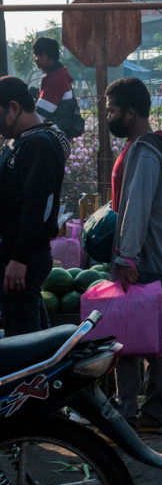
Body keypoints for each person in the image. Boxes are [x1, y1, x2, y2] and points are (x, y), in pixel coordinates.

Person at [106, 77, 162, 432]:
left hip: (142, 258)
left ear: (132, 112)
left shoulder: (145, 151)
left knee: (130, 338)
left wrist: (126, 257)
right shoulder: (160, 145)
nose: (108, 117)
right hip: (156, 254)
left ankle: (134, 415)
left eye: (112, 111)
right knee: (150, 336)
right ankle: (148, 413)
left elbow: (136, 206)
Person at [0, 76, 69, 337]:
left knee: (23, 341)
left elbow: (37, 204)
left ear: (14, 108)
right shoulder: (18, 141)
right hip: (14, 255)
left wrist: (19, 258)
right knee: (34, 333)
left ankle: (34, 378)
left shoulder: (39, 144)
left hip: (24, 259)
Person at [32, 37, 83, 138]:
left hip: (57, 135)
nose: (37, 58)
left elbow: (39, 116)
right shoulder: (54, 75)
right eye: (35, 54)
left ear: (51, 56)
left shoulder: (56, 79)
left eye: (41, 55)